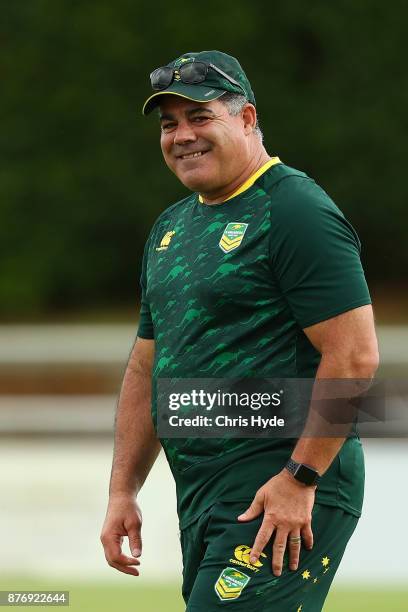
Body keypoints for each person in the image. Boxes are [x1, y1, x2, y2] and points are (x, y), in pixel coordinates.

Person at [100, 50, 379, 610]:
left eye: (200, 118)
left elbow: (353, 357)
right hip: (203, 490)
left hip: (281, 482)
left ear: (247, 119)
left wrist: (299, 478)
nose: (182, 136)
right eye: (170, 124)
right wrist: (122, 489)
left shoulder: (294, 209)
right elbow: (146, 365)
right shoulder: (171, 227)